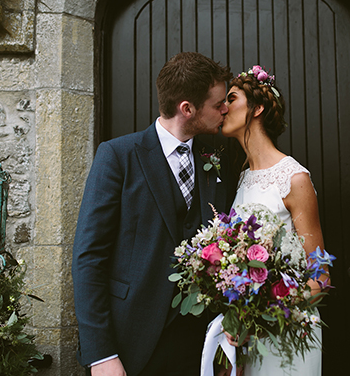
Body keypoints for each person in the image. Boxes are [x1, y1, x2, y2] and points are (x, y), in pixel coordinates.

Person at [72, 52, 236, 376]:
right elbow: (88, 257)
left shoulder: (220, 158)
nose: (225, 109)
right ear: (187, 108)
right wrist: (101, 354)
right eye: (218, 104)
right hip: (132, 343)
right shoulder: (117, 156)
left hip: (200, 346)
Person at [220, 65, 326, 375]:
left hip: (287, 332)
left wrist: (264, 318)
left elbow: (320, 276)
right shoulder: (242, 178)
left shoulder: (294, 178)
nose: (223, 107)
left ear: (258, 108)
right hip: (248, 335)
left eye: (232, 98)